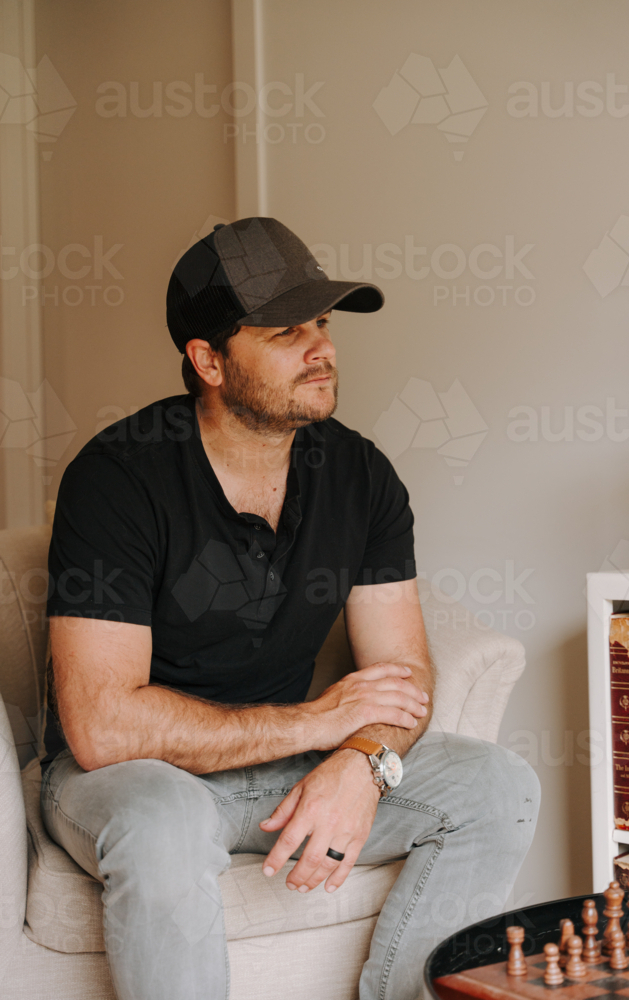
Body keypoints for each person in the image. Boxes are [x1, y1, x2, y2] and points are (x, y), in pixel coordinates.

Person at [41, 217, 539, 1000]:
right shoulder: (117, 478)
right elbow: (103, 729)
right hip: (140, 778)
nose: (322, 350)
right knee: (162, 821)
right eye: (284, 332)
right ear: (207, 360)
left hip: (285, 770)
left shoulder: (360, 473)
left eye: (322, 324)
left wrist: (362, 764)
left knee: (494, 786)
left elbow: (400, 674)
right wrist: (315, 725)